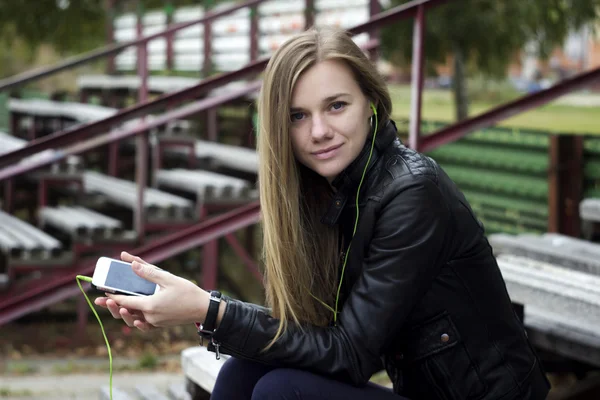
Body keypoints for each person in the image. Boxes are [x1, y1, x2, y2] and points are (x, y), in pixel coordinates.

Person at [94, 27, 551, 400]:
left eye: (336, 106)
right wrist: (196, 307)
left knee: (282, 391)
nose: (319, 131)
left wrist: (210, 310)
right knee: (242, 374)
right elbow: (317, 335)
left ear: (370, 103)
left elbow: (351, 355)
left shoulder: (413, 193)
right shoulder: (330, 194)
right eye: (297, 116)